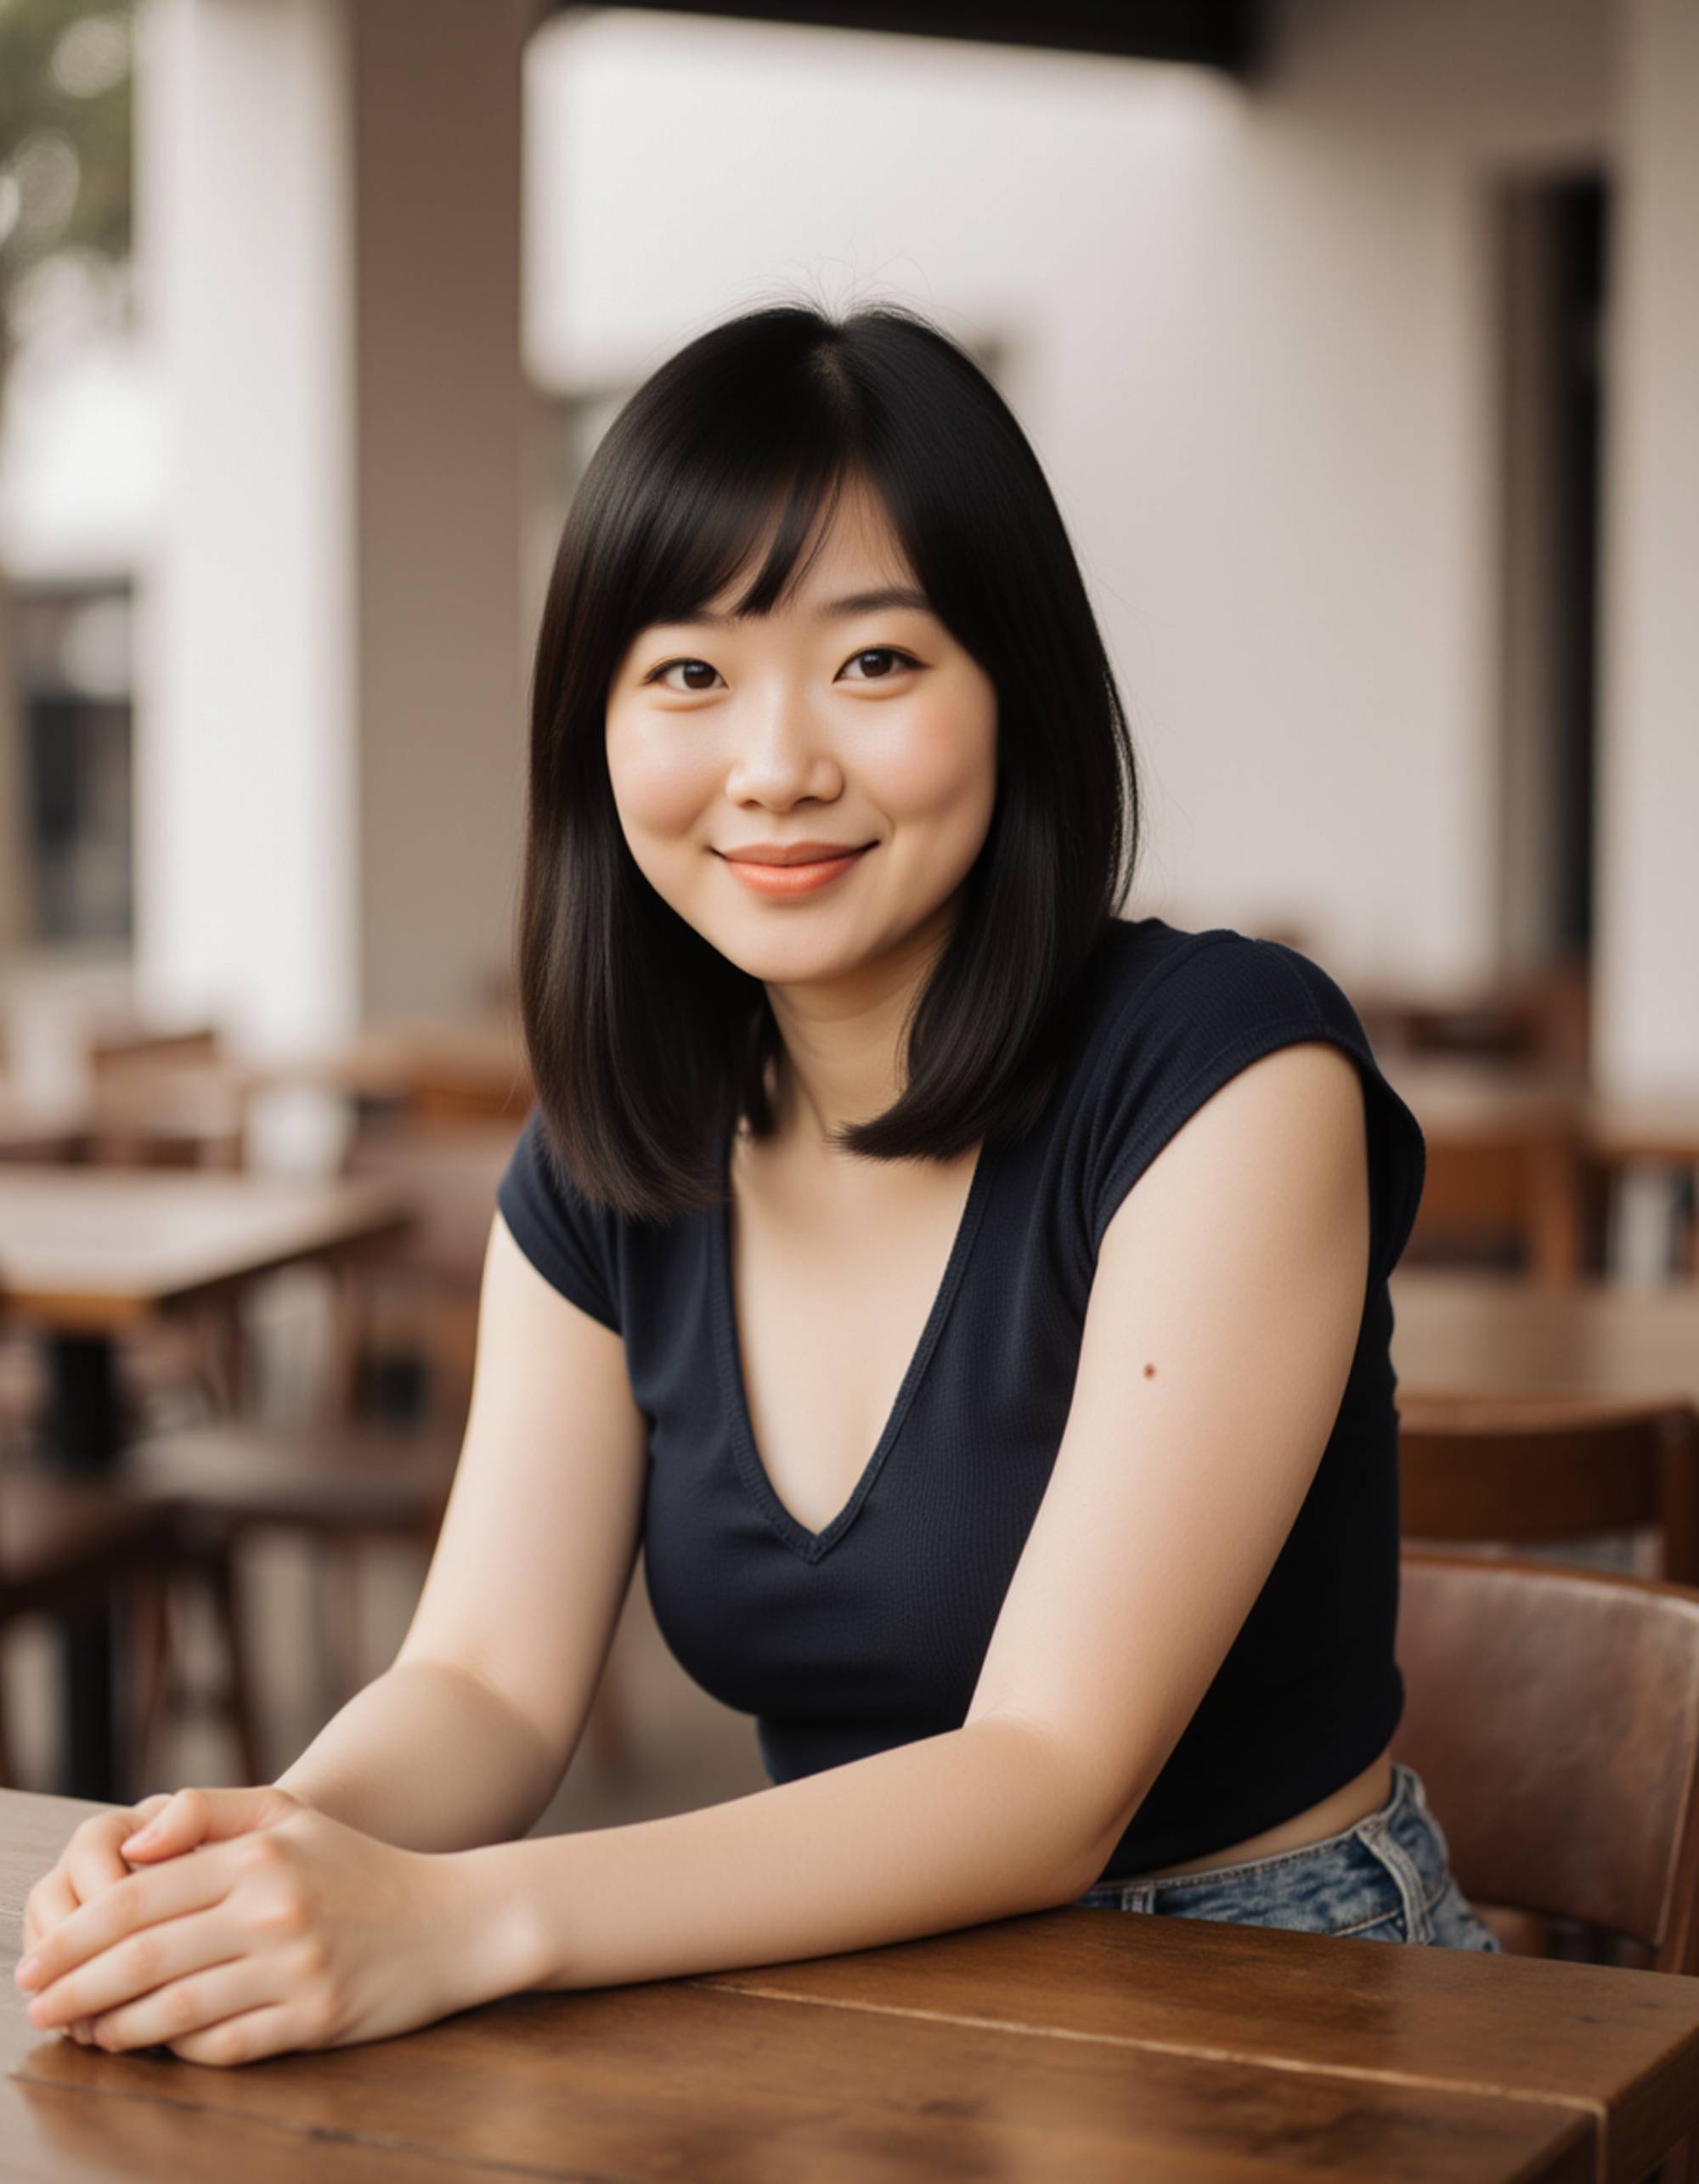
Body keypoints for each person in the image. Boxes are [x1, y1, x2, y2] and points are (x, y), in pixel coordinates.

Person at [14, 298, 1500, 2071]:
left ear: (1010, 686)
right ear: (601, 733)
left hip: (1274, 2008)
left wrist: (472, 1915)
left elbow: (1051, 1775)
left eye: (873, 662)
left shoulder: (1225, 1069)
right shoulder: (607, 1157)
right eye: (689, 673)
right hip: (847, 2001)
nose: (776, 762)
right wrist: (264, 1851)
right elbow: (484, 1678)